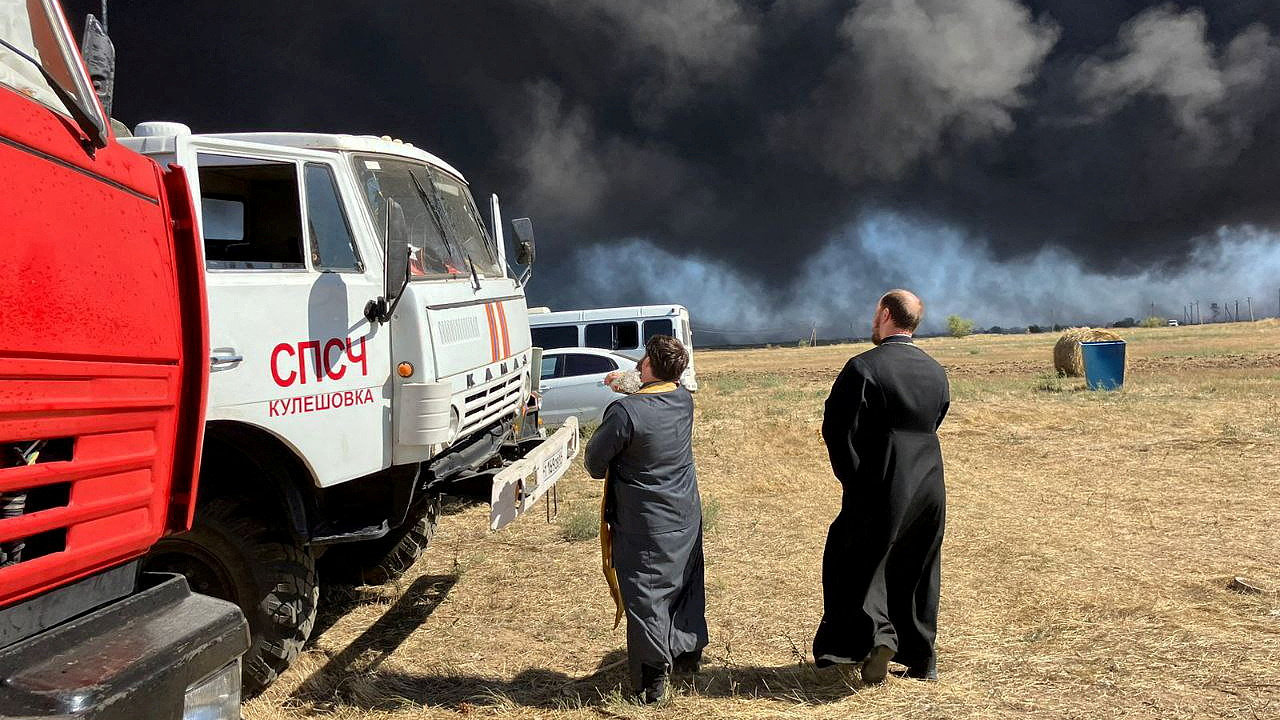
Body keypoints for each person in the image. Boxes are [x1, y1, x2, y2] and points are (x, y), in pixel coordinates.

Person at [813, 289, 950, 684]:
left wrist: (854, 478)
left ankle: (875, 641)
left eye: (876, 313)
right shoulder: (935, 370)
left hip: (881, 479)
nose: (874, 319)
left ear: (886, 315)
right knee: (919, 566)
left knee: (855, 559)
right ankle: (922, 659)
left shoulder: (863, 367)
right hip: (929, 481)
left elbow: (837, 430)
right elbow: (936, 418)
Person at [584, 335, 707, 704]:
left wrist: (622, 396)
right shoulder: (683, 399)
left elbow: (594, 462)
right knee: (685, 584)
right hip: (684, 513)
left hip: (645, 521)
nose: (638, 362)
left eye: (643, 359)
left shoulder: (625, 413)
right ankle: (686, 655)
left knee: (647, 596)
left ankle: (652, 684)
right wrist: (626, 383)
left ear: (650, 364)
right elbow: (657, 389)